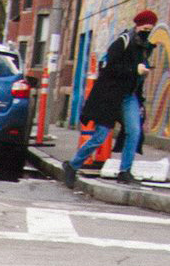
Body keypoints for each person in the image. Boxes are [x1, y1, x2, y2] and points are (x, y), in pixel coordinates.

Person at [64, 9, 157, 187]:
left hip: (128, 96)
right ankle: (72, 165)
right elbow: (109, 68)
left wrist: (141, 77)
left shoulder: (145, 48)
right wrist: (133, 70)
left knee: (134, 131)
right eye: (145, 28)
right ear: (138, 25)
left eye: (150, 28)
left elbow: (137, 74)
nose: (147, 31)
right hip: (110, 96)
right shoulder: (122, 42)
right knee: (100, 136)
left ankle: (125, 171)